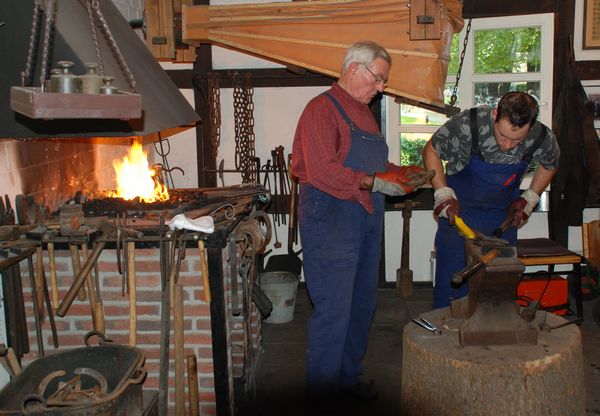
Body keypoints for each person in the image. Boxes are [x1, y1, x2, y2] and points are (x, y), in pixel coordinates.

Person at [291, 40, 433, 408]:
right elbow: (323, 171)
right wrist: (374, 183)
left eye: (383, 81)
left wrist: (405, 173)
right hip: (332, 214)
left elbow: (374, 168)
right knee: (334, 311)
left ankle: (347, 382)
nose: (381, 87)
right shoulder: (321, 110)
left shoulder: (366, 114)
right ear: (354, 68)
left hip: (365, 215)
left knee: (362, 304)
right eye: (378, 78)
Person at [422, 91, 560, 309]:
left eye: (517, 140)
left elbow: (550, 163)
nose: (507, 146)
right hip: (459, 216)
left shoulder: (541, 136)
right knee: (453, 285)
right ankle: (445, 335)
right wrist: (442, 193)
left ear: (531, 126)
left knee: (499, 287)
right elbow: (431, 150)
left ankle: (494, 337)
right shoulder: (469, 124)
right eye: (502, 136)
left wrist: (530, 197)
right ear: (496, 113)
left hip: (502, 221)